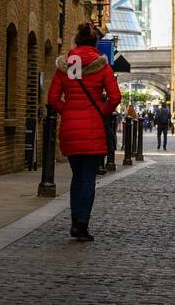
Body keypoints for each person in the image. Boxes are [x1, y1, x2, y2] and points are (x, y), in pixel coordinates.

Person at [48, 21, 121, 241]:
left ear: (77, 40)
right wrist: (101, 110)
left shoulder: (68, 65)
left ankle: (74, 221)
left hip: (71, 128)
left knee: (77, 175)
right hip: (93, 129)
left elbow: (52, 98)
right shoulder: (102, 65)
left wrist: (68, 110)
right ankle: (82, 224)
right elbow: (116, 97)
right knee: (88, 177)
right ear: (95, 42)